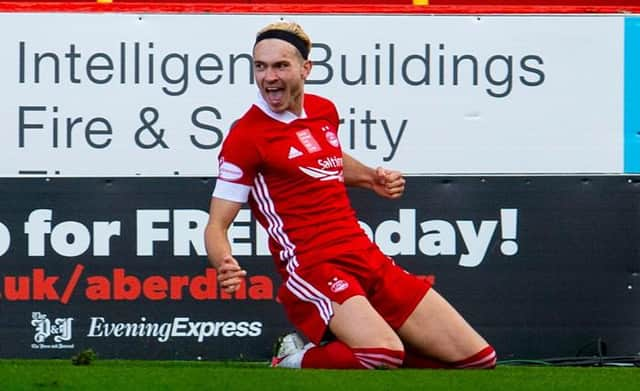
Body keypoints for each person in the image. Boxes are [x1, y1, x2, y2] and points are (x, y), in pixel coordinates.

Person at [204, 20, 496, 369]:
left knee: (477, 359)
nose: (269, 77)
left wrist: (370, 177)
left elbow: (327, 157)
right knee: (382, 353)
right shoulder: (246, 136)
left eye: (280, 65)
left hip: (362, 253)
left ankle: (367, 352)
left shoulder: (323, 110)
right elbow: (216, 224)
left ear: (305, 68)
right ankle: (291, 360)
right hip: (312, 266)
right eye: (260, 66)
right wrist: (223, 261)